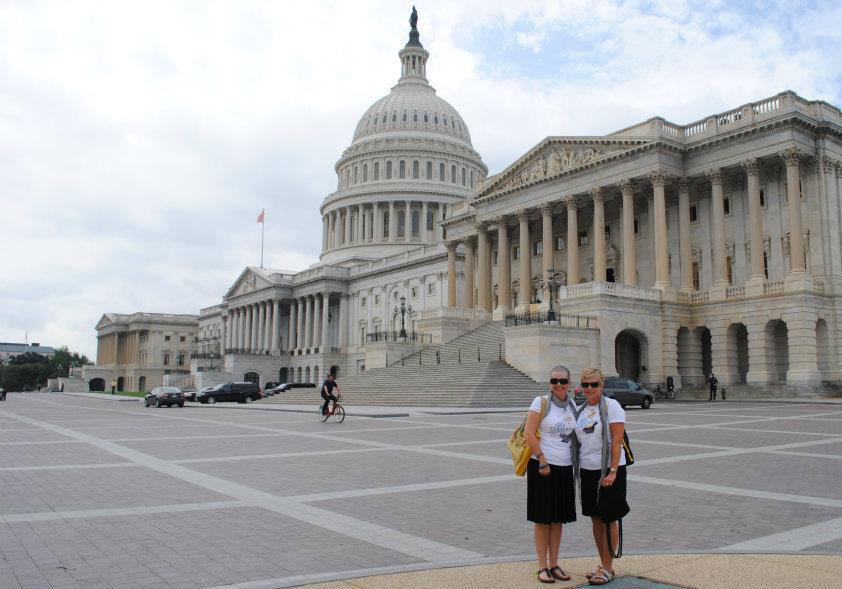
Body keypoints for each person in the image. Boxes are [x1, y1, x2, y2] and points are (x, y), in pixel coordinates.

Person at [524, 365, 578, 584]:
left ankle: (554, 564)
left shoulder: (572, 405)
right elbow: (529, 433)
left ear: (569, 383)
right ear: (549, 382)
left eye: (563, 381)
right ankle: (541, 566)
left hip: (565, 467)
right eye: (554, 381)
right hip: (543, 467)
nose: (559, 385)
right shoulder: (540, 402)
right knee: (542, 519)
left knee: (558, 519)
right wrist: (542, 459)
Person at [575, 367, 629, 586]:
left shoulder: (611, 406)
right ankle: (604, 564)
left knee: (609, 518)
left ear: (602, 385)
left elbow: (616, 440)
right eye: (586, 384)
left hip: (609, 469)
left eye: (594, 384)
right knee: (596, 519)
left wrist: (613, 471)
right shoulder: (580, 410)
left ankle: (607, 567)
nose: (590, 388)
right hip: (588, 470)